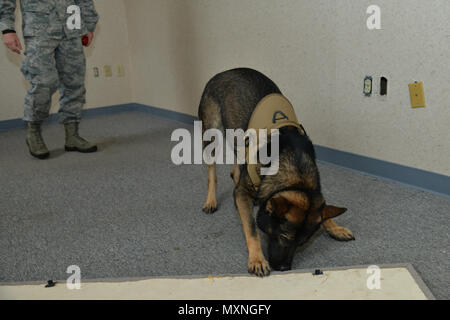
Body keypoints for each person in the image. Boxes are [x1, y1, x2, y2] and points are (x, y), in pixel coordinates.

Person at [0, 0, 99, 159]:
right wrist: (7, 29)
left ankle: (72, 136)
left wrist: (89, 24)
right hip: (39, 30)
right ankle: (34, 131)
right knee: (44, 82)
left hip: (71, 28)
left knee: (74, 83)